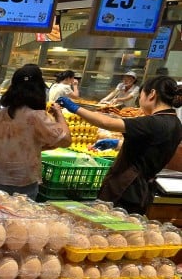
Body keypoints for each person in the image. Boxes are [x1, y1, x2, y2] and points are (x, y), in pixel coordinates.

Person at [58, 76, 182, 214]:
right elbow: (152, 146)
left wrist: (74, 108)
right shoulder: (175, 123)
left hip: (125, 188)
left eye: (141, 95)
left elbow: (107, 123)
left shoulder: (152, 122)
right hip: (142, 190)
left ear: (152, 94)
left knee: (108, 222)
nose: (140, 100)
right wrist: (116, 144)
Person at [0, 64, 70, 199]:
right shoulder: (36, 116)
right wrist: (58, 113)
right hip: (21, 182)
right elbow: (65, 140)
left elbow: (12, 145)